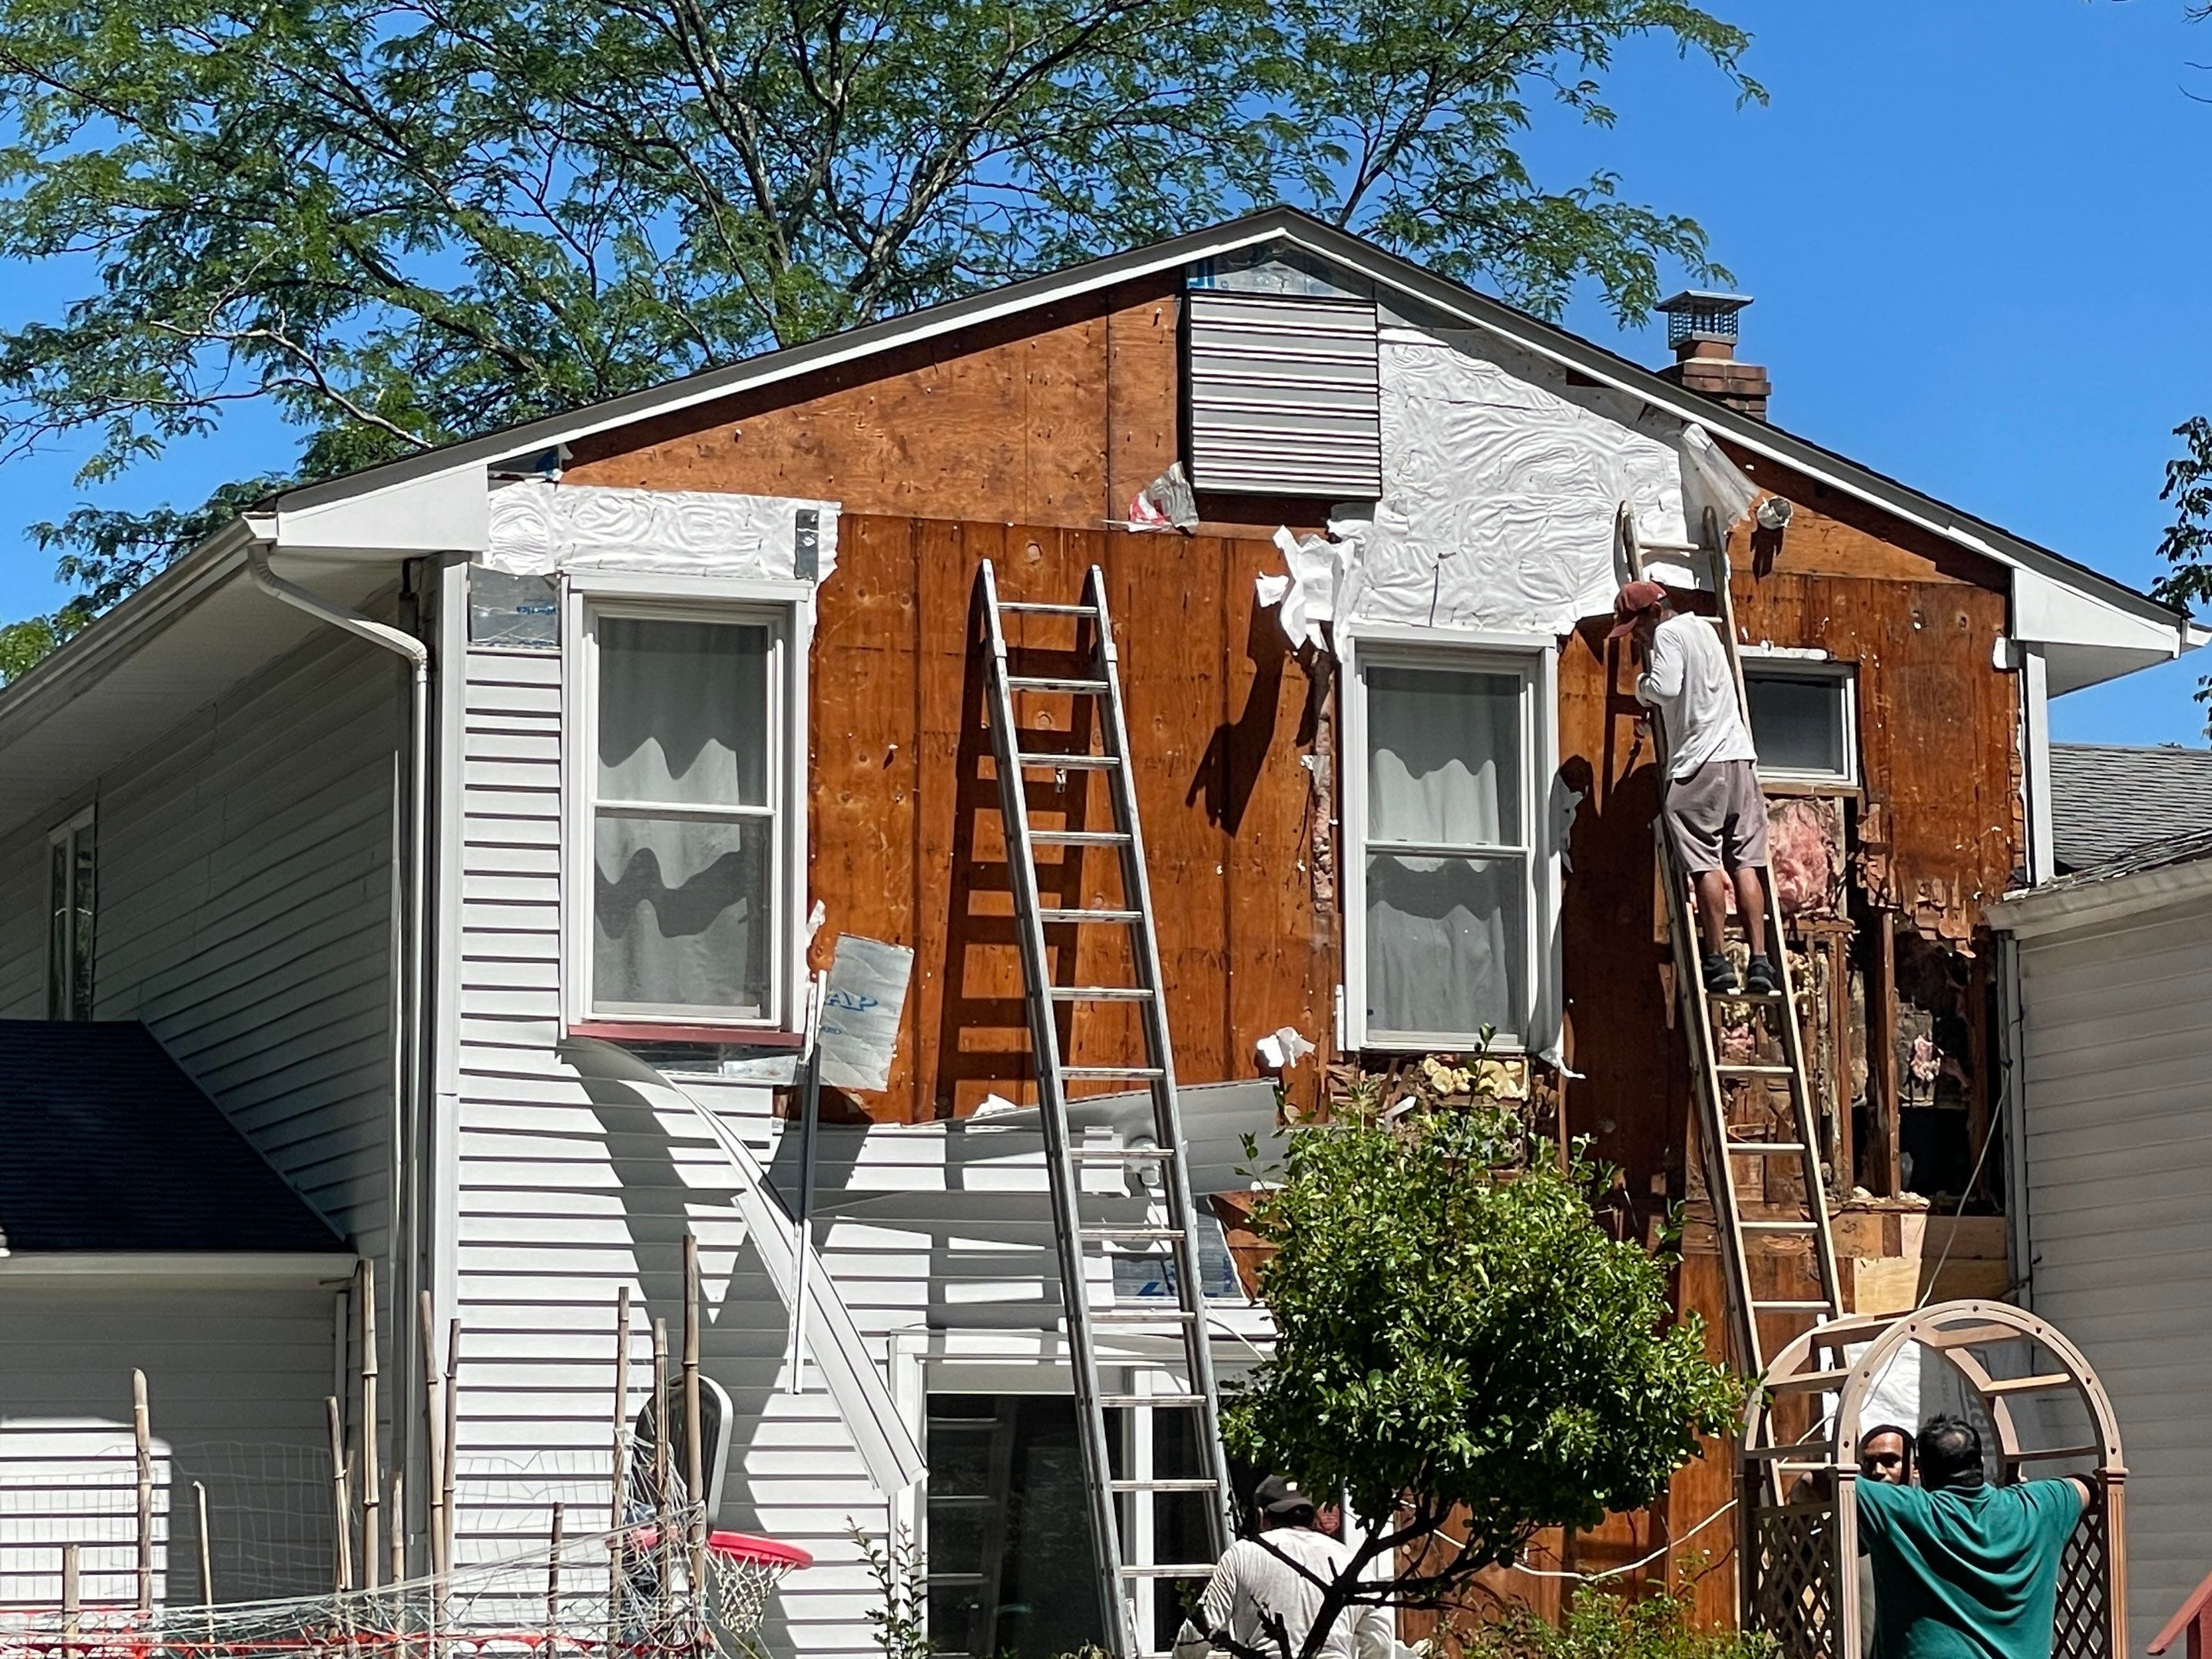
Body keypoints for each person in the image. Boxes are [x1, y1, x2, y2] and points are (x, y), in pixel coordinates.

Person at [1611, 578, 1777, 996]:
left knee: (1705, 864)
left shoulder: (1667, 632)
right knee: (1746, 864)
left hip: (1699, 766)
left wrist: (1642, 688)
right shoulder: (1705, 629)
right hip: (1739, 760)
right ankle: (1760, 961)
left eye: (1637, 627)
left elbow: (1665, 688)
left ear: (1655, 611)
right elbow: (1694, 693)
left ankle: (1718, 962)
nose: (1639, 637)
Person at [1854, 1414, 2092, 1659]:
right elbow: (2088, 1486)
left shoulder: (1907, 1511)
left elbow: (1836, 1483)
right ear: (1980, 1462)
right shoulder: (2038, 1506)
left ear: (1921, 1472)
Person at [1173, 1475, 1393, 1659]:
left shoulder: (1244, 1554)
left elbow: (1201, 1628)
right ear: (1312, 1515)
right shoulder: (1349, 1560)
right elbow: (1380, 1641)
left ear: (1262, 1516)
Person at [1855, 1426, 1916, 1659]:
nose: (1878, 1471)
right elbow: (1806, 1483)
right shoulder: (1852, 1525)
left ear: (1915, 1467)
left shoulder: (1933, 1521)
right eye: (1869, 1463)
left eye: (1891, 1461)